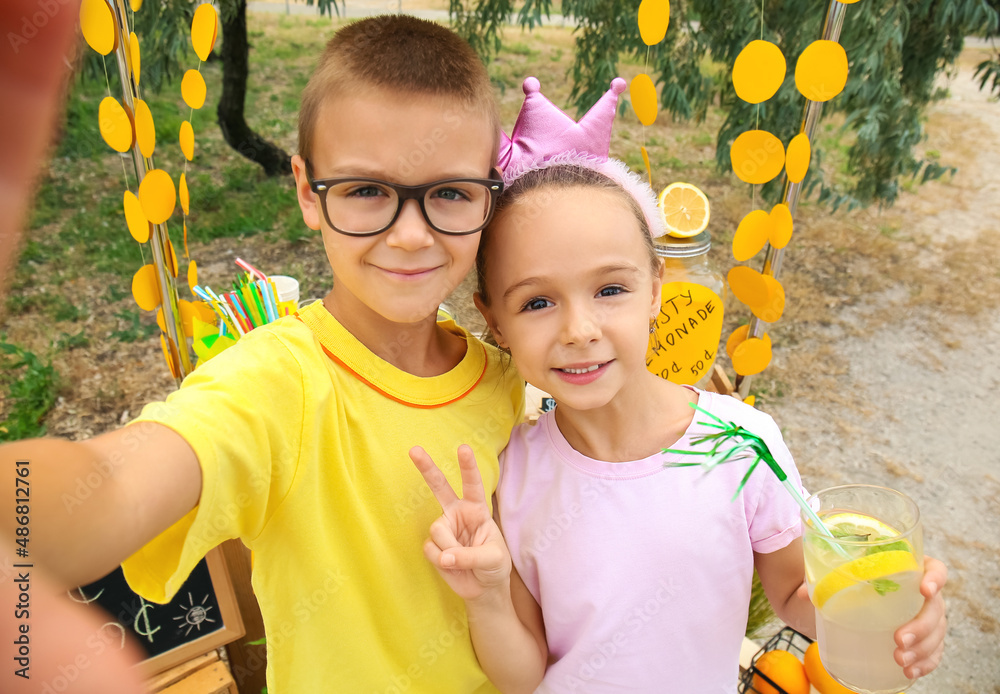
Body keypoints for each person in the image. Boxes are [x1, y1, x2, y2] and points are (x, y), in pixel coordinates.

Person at [0, 16, 529, 693]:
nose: (409, 235)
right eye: (367, 191)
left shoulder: (514, 383)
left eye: (449, 193)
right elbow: (111, 484)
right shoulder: (276, 385)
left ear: (489, 193)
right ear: (308, 191)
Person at [410, 78, 948, 692]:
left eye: (611, 289)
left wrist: (895, 613)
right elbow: (523, 674)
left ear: (657, 286)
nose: (580, 330)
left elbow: (800, 594)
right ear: (493, 320)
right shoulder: (513, 473)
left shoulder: (745, 446)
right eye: (536, 302)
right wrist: (485, 596)